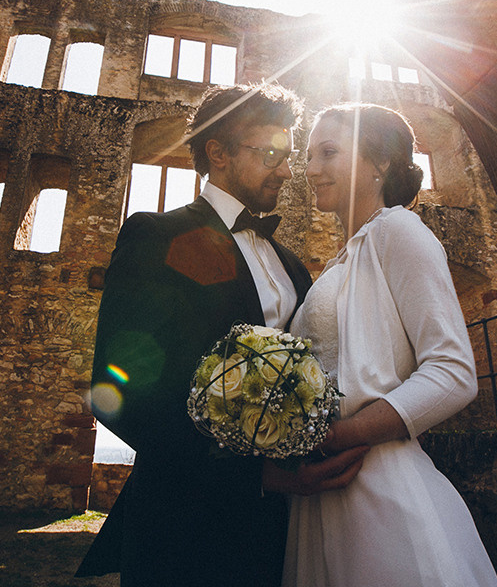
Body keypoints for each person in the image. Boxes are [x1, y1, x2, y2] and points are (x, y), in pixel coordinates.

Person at [76, 83, 369, 586]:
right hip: (185, 524)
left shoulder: (292, 266)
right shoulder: (154, 235)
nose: (285, 171)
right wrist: (253, 477)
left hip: (287, 526)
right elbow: (115, 393)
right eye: (272, 154)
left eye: (287, 156)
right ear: (219, 153)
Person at [282, 103, 497, 587]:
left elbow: (453, 372)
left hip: (377, 484)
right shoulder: (347, 255)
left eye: (329, 152)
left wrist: (341, 436)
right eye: (310, 155)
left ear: (379, 163)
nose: (311, 168)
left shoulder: (398, 230)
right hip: (321, 493)